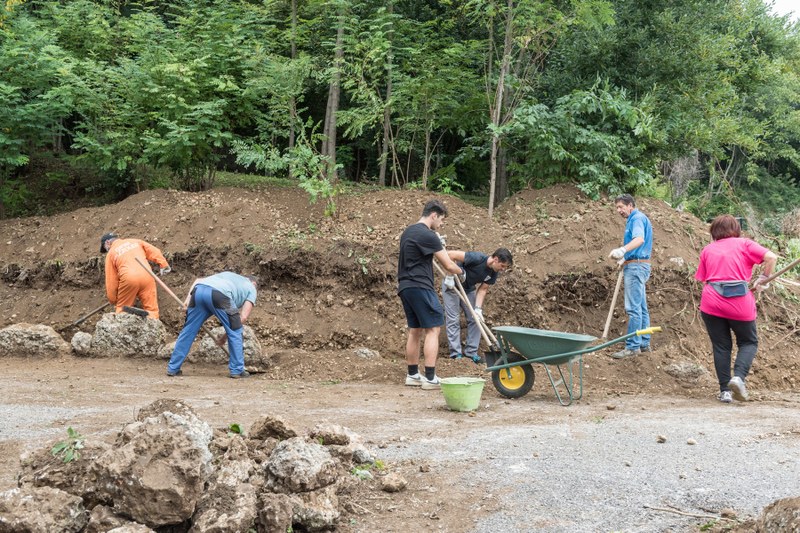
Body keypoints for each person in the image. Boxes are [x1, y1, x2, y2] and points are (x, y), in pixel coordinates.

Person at [695, 215, 776, 403]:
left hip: (712, 302)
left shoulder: (708, 249)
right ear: (736, 229)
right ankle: (738, 378)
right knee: (748, 342)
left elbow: (704, 278)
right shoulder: (745, 244)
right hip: (739, 302)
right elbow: (771, 257)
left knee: (721, 346)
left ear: (714, 231)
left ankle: (725, 391)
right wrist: (764, 278)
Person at [398, 199, 464, 390]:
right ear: (434, 215)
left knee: (415, 330)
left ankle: (412, 375)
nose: (441, 224)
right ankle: (430, 378)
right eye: (441, 220)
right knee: (433, 329)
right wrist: (462, 272)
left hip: (405, 286)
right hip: (421, 285)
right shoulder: (428, 235)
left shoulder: (408, 231)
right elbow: (449, 265)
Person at [167, 272, 258, 379]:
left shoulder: (229, 275)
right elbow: (243, 317)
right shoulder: (252, 288)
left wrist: (187, 300)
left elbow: (198, 280)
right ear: (254, 283)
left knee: (188, 331)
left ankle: (173, 368)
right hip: (220, 296)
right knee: (236, 330)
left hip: (198, 291)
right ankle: (237, 369)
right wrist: (225, 337)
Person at [442, 248, 513, 363]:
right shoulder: (477, 258)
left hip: (468, 289)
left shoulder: (493, 273)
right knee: (453, 319)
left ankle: (471, 352)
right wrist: (450, 276)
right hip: (452, 286)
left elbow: (483, 289)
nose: (503, 269)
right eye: (503, 266)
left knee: (476, 319)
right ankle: (456, 354)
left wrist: (478, 309)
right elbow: (450, 255)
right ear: (496, 259)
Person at [608, 194, 653, 358]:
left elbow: (639, 239)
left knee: (633, 309)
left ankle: (633, 347)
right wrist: (625, 258)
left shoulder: (636, 218)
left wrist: (623, 250)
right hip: (639, 264)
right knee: (641, 307)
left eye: (621, 207)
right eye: (617, 207)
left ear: (630, 205)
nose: (618, 210)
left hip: (636, 267)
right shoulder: (636, 218)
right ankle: (644, 343)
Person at [101, 233, 171, 319]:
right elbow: (154, 251)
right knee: (152, 309)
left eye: (105, 248)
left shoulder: (111, 253)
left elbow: (111, 280)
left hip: (129, 279)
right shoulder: (135, 241)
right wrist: (163, 264)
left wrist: (113, 300)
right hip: (147, 274)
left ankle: (122, 320)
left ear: (108, 242)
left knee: (123, 308)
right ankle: (153, 320)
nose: (107, 250)